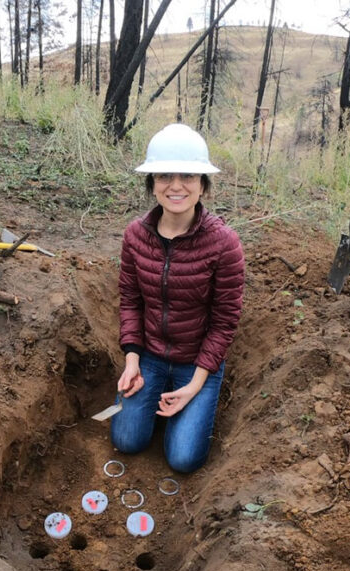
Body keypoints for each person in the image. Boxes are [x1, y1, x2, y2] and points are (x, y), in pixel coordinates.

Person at [110, 123, 245, 474]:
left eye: (188, 175)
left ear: (202, 184)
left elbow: (224, 321)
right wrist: (132, 360)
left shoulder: (224, 244)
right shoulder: (135, 236)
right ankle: (157, 400)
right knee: (126, 440)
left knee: (183, 458)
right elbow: (130, 300)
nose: (176, 185)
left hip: (196, 362)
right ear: (152, 184)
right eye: (164, 176)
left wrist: (195, 384)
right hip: (151, 357)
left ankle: (189, 403)